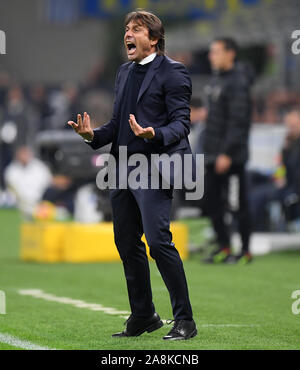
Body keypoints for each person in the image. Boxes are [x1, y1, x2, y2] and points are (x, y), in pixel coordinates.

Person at [68, 10, 197, 340]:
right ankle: (143, 315)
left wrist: (155, 134)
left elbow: (182, 124)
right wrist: (92, 136)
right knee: (126, 243)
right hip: (121, 168)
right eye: (126, 29)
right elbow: (117, 125)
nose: (128, 33)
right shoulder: (124, 72)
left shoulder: (174, 72)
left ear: (153, 38)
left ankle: (185, 319)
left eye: (136, 29)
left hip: (153, 168)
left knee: (157, 242)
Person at [202, 38, 254, 265]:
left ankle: (245, 251)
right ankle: (224, 246)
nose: (211, 56)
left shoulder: (238, 83)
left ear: (230, 54)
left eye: (216, 52)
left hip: (230, 158)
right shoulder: (216, 80)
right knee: (211, 202)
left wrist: (226, 153)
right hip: (212, 155)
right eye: (211, 52)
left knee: (236, 205)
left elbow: (238, 123)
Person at [249, 108, 300, 230]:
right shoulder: (289, 144)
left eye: (294, 125)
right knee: (250, 178)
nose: (291, 128)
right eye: (289, 125)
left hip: (294, 186)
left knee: (258, 195)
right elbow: (281, 168)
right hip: (285, 182)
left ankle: (255, 228)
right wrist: (280, 175)